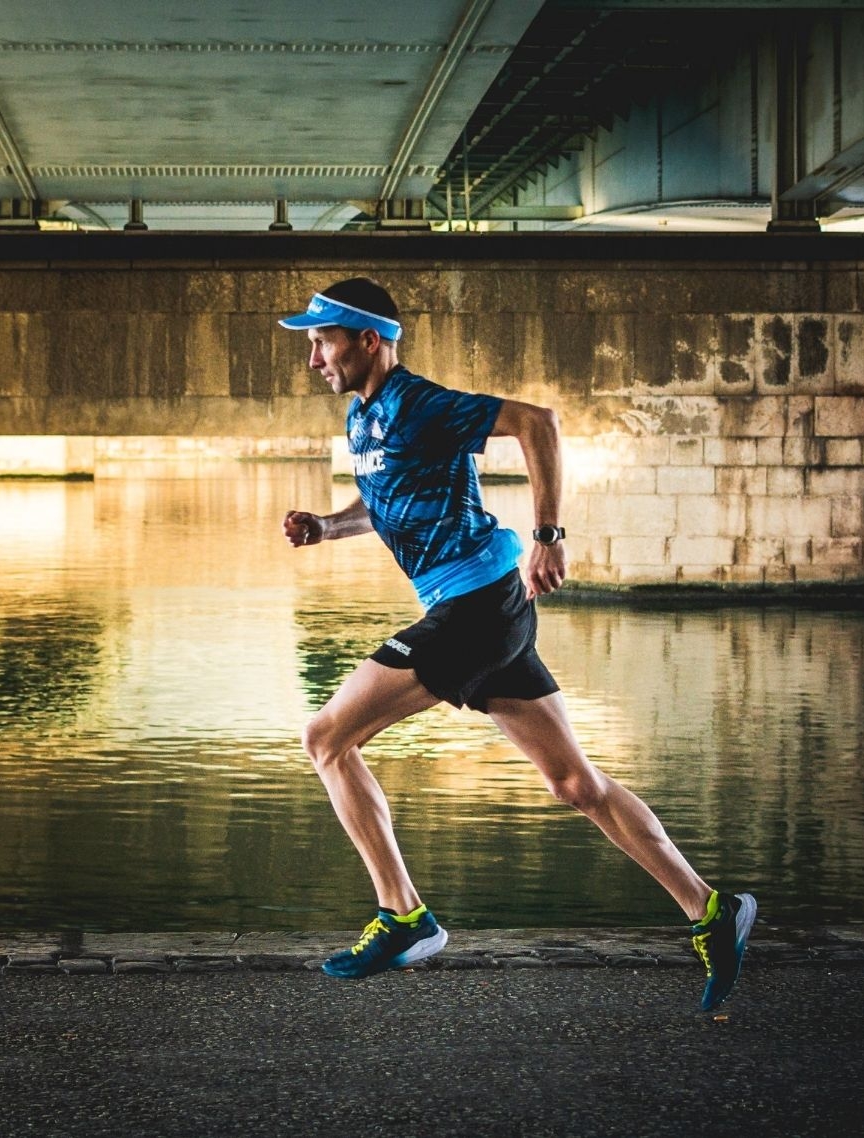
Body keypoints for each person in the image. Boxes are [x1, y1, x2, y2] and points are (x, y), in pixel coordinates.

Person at [277, 277, 756, 1011]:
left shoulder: (422, 402)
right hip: (477, 607)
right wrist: (327, 528)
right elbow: (382, 505)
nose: (313, 357)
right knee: (574, 785)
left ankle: (404, 917)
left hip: (475, 605)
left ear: (368, 339)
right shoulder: (362, 418)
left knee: (326, 739)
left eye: (322, 339)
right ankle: (710, 910)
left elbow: (539, 422)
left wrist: (548, 536)